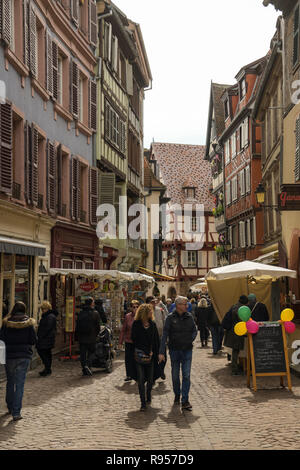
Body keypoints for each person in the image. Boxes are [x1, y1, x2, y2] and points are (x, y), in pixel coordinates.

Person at [159, 296, 197, 411]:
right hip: (174, 350)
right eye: (185, 304)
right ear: (178, 305)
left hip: (187, 350)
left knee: (186, 375)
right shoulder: (170, 318)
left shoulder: (189, 317)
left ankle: (185, 400)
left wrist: (190, 340)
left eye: (186, 304)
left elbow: (194, 330)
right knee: (175, 375)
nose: (187, 306)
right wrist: (161, 351)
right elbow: (165, 335)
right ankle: (177, 394)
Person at [0, 301, 37, 421]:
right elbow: (33, 340)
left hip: (10, 356)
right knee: (20, 384)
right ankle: (16, 412)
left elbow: (1, 338)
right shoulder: (29, 323)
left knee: (10, 382)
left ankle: (10, 407)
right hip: (24, 356)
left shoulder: (6, 323)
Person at [131, 304, 160, 411]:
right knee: (141, 378)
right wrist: (145, 350)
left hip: (151, 357)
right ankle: (143, 402)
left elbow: (156, 340)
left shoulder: (152, 325)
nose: (152, 313)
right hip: (139, 356)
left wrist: (157, 353)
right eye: (150, 311)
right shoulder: (136, 324)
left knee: (150, 379)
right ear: (145, 313)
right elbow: (134, 339)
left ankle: (148, 394)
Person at [222, 295, 248, 375]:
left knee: (235, 350)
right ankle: (234, 368)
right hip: (236, 332)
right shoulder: (240, 309)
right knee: (236, 350)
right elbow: (241, 320)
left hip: (232, 331)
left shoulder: (234, 306)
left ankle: (235, 366)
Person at [75, 297, 100, 376]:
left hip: (82, 337)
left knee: (83, 353)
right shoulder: (95, 313)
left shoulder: (81, 313)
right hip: (91, 337)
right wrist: (96, 335)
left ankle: (84, 367)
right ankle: (88, 366)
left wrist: (77, 336)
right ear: (91, 303)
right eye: (93, 302)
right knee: (92, 352)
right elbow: (97, 327)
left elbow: (78, 325)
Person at [119, 300, 139, 381]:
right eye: (134, 307)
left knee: (137, 358)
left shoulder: (141, 316)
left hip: (138, 342)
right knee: (128, 358)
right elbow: (123, 330)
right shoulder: (127, 316)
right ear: (131, 308)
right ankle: (129, 375)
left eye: (137, 307)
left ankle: (137, 374)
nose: (135, 308)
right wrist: (120, 342)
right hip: (128, 341)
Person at [36, 301, 58, 377]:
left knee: (42, 352)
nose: (42, 310)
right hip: (47, 338)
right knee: (47, 353)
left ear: (47, 308)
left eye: (43, 309)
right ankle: (47, 368)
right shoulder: (48, 316)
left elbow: (47, 328)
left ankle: (47, 368)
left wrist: (41, 335)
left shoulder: (50, 316)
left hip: (46, 338)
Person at [148, 297, 168, 380]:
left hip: (160, 337)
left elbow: (164, 321)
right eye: (151, 302)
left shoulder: (160, 310)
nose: (153, 303)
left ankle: (161, 370)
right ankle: (155, 374)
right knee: (153, 357)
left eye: (154, 302)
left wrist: (166, 335)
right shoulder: (146, 312)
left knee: (164, 357)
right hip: (150, 338)